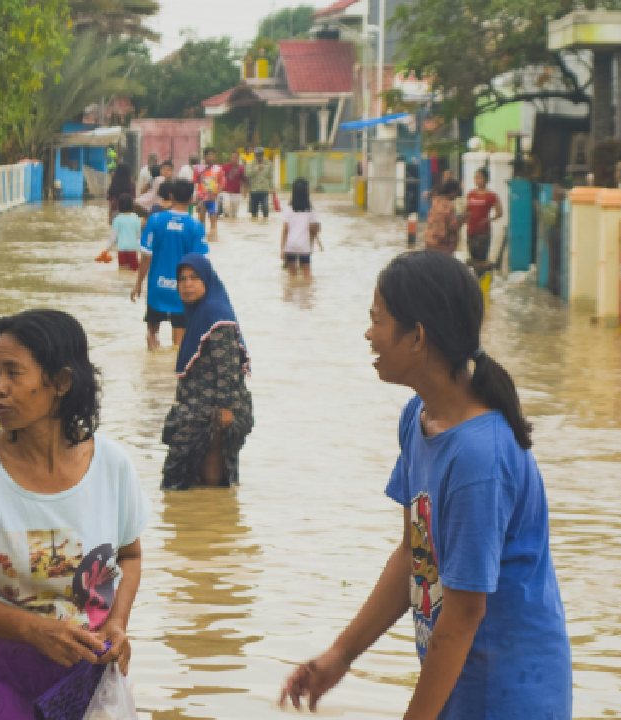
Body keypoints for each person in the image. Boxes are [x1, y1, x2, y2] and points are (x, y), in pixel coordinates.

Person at [280, 250, 570, 719]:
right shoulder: (419, 418)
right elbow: (414, 554)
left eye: (377, 320)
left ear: (417, 337)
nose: (369, 334)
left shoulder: (480, 458)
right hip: (459, 684)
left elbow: (462, 617)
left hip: (511, 696)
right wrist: (340, 656)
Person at [0, 309, 149, 719]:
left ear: (60, 382)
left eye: (13, 373)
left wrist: (117, 624)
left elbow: (129, 556)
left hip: (86, 673)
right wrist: (31, 629)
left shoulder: (112, 467)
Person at [162, 254, 253, 490]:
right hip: (196, 407)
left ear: (207, 280)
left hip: (215, 412)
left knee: (206, 476)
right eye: (182, 279)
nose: (187, 284)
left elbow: (229, 367)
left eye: (194, 278)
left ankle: (213, 519)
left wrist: (224, 412)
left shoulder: (216, 316)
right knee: (190, 477)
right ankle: (205, 519)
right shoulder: (198, 313)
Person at [132, 180, 209, 350]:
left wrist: (138, 284)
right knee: (179, 344)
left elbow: (146, 257)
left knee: (152, 336)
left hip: (156, 288)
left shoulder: (156, 220)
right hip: (183, 290)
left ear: (171, 196)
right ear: (191, 199)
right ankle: (174, 374)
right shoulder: (196, 226)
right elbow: (200, 263)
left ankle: (151, 371)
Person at [281, 178, 321, 278]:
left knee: (291, 277)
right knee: (307, 275)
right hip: (304, 246)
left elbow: (285, 230)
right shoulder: (310, 210)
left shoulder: (288, 209)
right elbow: (314, 229)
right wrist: (315, 243)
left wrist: (282, 249)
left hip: (290, 245)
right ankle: (307, 293)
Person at [464, 169, 502, 273]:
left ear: (486, 179)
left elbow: (500, 213)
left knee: (481, 261)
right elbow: (466, 210)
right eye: (476, 177)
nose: (477, 180)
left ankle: (482, 283)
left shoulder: (491, 195)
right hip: (471, 230)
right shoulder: (470, 194)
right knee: (473, 259)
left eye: (480, 177)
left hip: (483, 233)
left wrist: (489, 219)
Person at [423, 179, 463, 255]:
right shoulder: (449, 205)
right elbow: (452, 226)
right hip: (442, 244)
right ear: (452, 192)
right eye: (456, 193)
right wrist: (462, 220)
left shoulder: (435, 201)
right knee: (443, 265)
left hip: (430, 240)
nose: (457, 196)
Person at [107, 194, 141, 271]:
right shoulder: (136, 218)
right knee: (133, 271)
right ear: (132, 205)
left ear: (119, 205)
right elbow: (138, 235)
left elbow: (113, 237)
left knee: (123, 270)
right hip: (133, 249)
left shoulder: (117, 219)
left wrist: (107, 249)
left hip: (121, 249)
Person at [194, 148, 223, 237]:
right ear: (204, 156)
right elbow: (195, 182)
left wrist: (216, 193)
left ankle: (213, 235)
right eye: (208, 155)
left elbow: (221, 183)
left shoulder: (218, 169)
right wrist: (197, 196)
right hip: (201, 198)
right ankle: (201, 236)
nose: (210, 157)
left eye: (212, 155)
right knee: (201, 218)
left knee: (213, 218)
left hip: (213, 198)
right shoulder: (198, 169)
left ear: (215, 157)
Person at [245, 148, 273, 221]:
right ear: (255, 155)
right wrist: (257, 168)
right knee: (254, 212)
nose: (259, 157)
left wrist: (272, 188)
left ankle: (265, 223)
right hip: (254, 191)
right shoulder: (250, 164)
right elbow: (247, 174)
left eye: (260, 155)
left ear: (263, 154)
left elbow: (270, 177)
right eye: (257, 155)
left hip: (264, 190)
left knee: (265, 207)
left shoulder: (268, 163)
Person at [220, 151, 245, 220]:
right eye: (233, 157)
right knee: (227, 208)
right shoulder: (225, 167)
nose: (234, 159)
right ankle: (226, 218)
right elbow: (220, 177)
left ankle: (232, 223)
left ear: (238, 158)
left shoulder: (241, 168)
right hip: (226, 192)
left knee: (234, 214)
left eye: (236, 158)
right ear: (230, 158)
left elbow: (243, 180)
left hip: (236, 193)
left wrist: (245, 192)